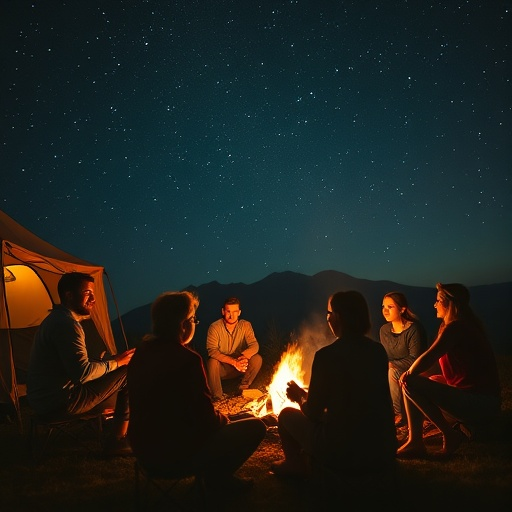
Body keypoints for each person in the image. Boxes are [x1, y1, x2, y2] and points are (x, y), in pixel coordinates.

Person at [127, 291, 267, 496]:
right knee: (256, 426)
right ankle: (218, 478)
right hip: (177, 455)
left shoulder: (141, 354)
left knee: (242, 417)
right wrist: (225, 420)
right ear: (183, 324)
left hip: (145, 452)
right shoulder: (187, 360)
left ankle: (217, 477)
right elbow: (205, 419)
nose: (194, 323)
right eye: (193, 319)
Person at [270, 290, 397, 480]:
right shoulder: (377, 351)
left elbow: (312, 412)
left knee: (286, 415)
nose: (327, 319)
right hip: (382, 450)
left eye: (329, 314)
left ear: (338, 316)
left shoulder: (326, 356)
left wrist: (299, 397)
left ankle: (294, 463)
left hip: (344, 453)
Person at [27, 272, 135, 455]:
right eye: (87, 293)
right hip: (60, 402)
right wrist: (116, 363)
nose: (93, 299)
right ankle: (118, 440)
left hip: (41, 400)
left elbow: (73, 367)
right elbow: (82, 373)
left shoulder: (54, 319)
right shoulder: (67, 325)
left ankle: (113, 424)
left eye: (93, 293)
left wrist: (110, 362)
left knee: (113, 369)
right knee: (127, 372)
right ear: (69, 295)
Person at [397, 283, 502, 459]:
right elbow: (438, 367)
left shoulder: (457, 327)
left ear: (450, 304)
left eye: (438, 300)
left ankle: (447, 435)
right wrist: (423, 378)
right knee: (428, 379)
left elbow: (429, 357)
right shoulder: (453, 326)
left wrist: (409, 373)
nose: (434, 304)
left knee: (411, 381)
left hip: (481, 405)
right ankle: (416, 440)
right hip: (478, 400)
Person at [379, 291, 428, 428]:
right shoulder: (384, 330)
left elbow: (415, 359)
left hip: (414, 371)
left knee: (392, 373)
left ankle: (398, 414)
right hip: (392, 370)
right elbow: (385, 356)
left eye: (390, 307)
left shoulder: (414, 329)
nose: (385, 311)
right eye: (383, 307)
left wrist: (391, 365)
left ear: (402, 309)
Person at [206, 297, 262, 400]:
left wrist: (244, 357)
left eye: (235, 312)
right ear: (223, 311)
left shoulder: (245, 325)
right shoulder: (215, 327)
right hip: (223, 368)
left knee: (257, 359)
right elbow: (212, 351)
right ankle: (217, 396)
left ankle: (243, 388)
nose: (231, 315)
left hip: (241, 366)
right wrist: (233, 362)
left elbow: (254, 345)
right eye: (228, 311)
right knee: (212, 362)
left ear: (239, 312)